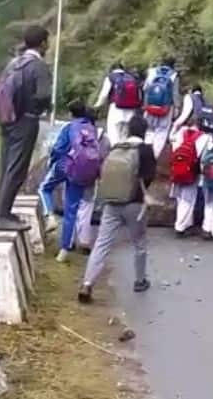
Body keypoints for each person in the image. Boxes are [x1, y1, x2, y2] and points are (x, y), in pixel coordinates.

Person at [78, 114, 156, 302]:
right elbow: (148, 176)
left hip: (111, 203)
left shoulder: (116, 148)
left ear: (128, 130)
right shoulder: (145, 150)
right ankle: (139, 281)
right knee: (139, 242)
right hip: (135, 204)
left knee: (102, 244)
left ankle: (87, 283)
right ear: (144, 132)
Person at [0, 25, 52, 231]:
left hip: (7, 119)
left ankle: (0, 210)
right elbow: (44, 95)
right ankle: (3, 216)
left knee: (6, 164)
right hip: (26, 121)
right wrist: (42, 107)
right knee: (17, 168)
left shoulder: (14, 63)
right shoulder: (38, 66)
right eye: (47, 42)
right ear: (43, 43)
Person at [39, 100, 107, 262]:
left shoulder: (69, 127)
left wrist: (51, 163)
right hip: (82, 172)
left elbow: (58, 149)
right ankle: (64, 250)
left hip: (65, 166)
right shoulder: (91, 129)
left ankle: (50, 216)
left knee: (44, 188)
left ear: (71, 114)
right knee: (71, 210)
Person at [168, 115, 211, 236]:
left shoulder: (180, 133)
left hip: (176, 169)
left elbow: (173, 146)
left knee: (180, 198)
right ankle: (180, 227)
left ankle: (185, 223)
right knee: (188, 200)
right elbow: (204, 158)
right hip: (191, 172)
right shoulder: (205, 138)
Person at [94, 62, 143, 146]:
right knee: (125, 134)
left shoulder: (111, 77)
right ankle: (124, 152)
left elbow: (104, 95)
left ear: (112, 69)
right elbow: (139, 95)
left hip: (116, 109)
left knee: (113, 132)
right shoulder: (131, 78)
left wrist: (96, 106)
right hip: (130, 110)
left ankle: (115, 151)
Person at [143, 57, 181, 158]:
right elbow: (175, 94)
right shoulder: (174, 75)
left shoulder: (152, 72)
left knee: (149, 131)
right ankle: (155, 157)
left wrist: (145, 105)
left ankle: (145, 156)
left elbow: (146, 89)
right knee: (161, 133)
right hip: (166, 109)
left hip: (150, 107)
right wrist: (177, 109)